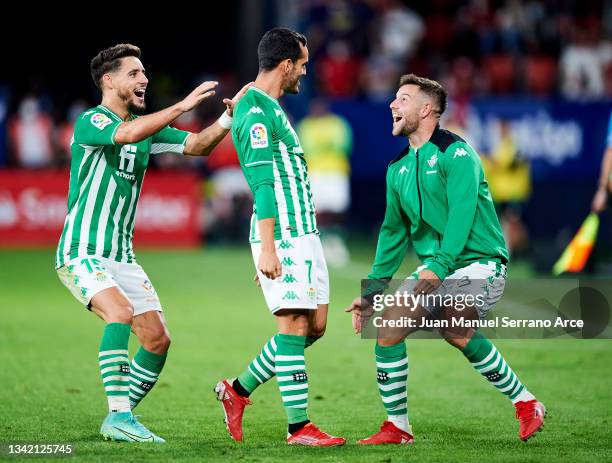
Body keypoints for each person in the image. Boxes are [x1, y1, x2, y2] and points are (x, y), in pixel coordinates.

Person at [55, 43, 249, 443]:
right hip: (81, 251)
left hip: (122, 257)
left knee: (158, 339)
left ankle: (119, 415)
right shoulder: (92, 120)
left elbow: (195, 146)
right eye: (134, 73)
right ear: (109, 81)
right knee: (120, 314)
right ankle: (119, 417)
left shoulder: (148, 131)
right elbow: (125, 133)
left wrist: (227, 119)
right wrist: (182, 106)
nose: (144, 80)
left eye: (144, 73)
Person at [345, 74, 546, 445]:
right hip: (436, 265)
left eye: (402, 99)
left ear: (426, 110)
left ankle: (525, 403)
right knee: (389, 329)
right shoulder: (397, 168)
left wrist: (439, 266)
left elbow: (462, 214)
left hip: (480, 262)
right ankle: (398, 427)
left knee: (454, 324)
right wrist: (373, 290)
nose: (393, 104)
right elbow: (393, 233)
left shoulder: (457, 153)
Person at [214, 28, 345, 447]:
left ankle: (237, 390)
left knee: (315, 327)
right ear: (286, 64)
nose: (304, 73)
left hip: (304, 231)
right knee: (292, 324)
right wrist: (268, 246)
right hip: (284, 231)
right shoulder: (255, 111)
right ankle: (299, 427)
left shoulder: (264, 103)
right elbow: (263, 183)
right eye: (302, 64)